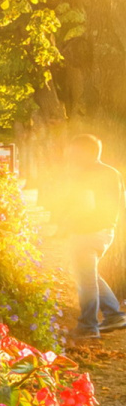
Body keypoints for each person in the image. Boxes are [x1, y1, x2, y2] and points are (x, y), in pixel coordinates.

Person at [39, 134, 126, 338]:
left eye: (72, 151)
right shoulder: (111, 172)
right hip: (105, 230)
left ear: (83, 152)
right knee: (90, 275)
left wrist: (67, 223)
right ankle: (114, 315)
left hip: (86, 231)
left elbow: (85, 205)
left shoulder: (86, 174)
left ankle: (88, 326)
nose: (69, 155)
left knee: (85, 280)